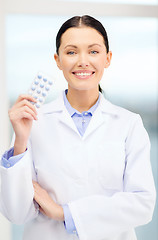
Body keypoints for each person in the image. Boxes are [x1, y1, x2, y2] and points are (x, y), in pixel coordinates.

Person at [0, 15, 156, 240]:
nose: (83, 61)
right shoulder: (33, 122)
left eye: (93, 51)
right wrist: (20, 141)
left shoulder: (129, 124)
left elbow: (142, 204)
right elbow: (15, 213)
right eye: (71, 52)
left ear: (108, 58)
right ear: (57, 60)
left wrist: (64, 213)